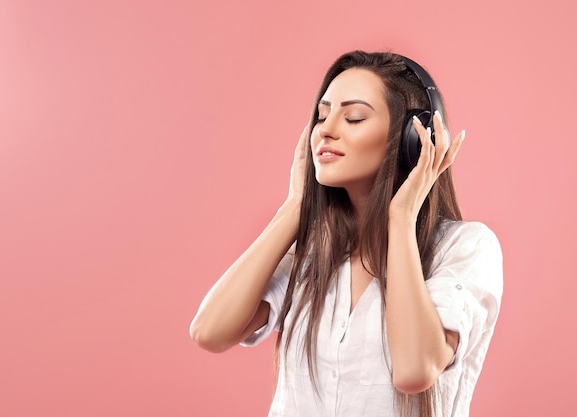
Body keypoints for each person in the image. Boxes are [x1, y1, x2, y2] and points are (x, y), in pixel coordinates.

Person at [189, 51, 503, 417]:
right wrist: (294, 207)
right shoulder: (312, 253)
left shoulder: (466, 248)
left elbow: (415, 370)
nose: (326, 129)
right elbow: (209, 332)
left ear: (411, 140)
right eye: (322, 116)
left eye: (353, 117)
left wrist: (400, 218)